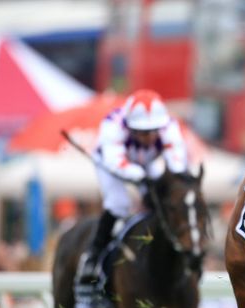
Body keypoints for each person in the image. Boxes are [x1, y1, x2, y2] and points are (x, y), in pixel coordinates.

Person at [76, 89, 190, 283]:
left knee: (164, 198)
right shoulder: (112, 125)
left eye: (153, 131)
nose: (149, 137)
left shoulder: (170, 127)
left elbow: (177, 164)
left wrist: (165, 182)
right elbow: (116, 163)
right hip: (109, 165)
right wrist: (142, 177)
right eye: (143, 132)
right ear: (130, 127)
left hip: (146, 163)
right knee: (118, 203)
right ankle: (93, 256)